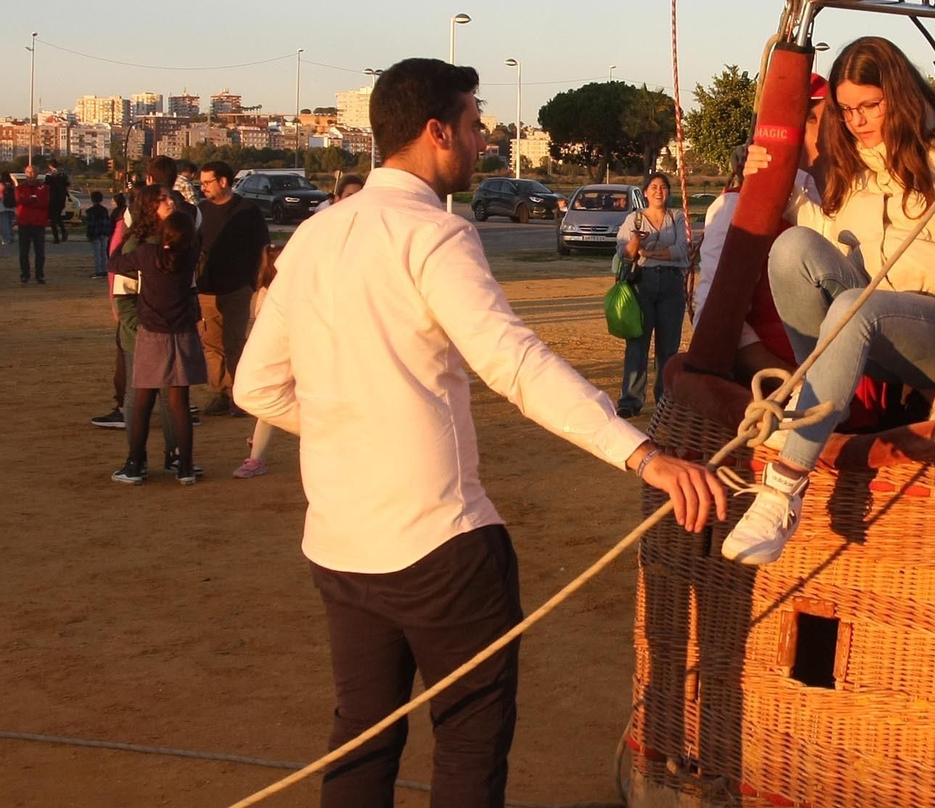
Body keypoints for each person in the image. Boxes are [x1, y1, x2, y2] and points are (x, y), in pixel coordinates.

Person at [233, 57, 725, 806]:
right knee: (467, 746)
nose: (482, 136)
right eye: (473, 122)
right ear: (436, 132)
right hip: (443, 551)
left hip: (338, 549)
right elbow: (515, 364)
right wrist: (643, 453)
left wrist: (349, 431)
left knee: (360, 741)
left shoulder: (314, 236)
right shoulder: (433, 235)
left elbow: (255, 385)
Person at [721, 36, 935, 565]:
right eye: (847, 110)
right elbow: (824, 234)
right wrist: (773, 183)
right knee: (792, 248)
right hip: (873, 325)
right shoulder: (847, 163)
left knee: (852, 308)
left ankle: (783, 489)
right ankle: (811, 397)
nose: (859, 121)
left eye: (870, 106)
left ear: (898, 93)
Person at [696, 75, 827, 383]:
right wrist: (795, 384)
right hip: (783, 389)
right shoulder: (736, 208)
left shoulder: (835, 198)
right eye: (829, 119)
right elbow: (713, 316)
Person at [107, 203, 206, 485]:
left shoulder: (147, 254)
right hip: (183, 334)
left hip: (153, 334)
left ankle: (135, 463)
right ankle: (185, 467)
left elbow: (114, 263)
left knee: (142, 400)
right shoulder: (190, 255)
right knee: (179, 403)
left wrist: (127, 237)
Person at [196, 161, 271, 416]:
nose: (202, 187)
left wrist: (255, 282)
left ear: (223, 181)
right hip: (206, 290)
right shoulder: (200, 211)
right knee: (211, 345)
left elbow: (262, 250)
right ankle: (221, 392)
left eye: (207, 182)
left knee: (234, 343)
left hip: (237, 288)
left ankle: (240, 396)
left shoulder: (248, 210)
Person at [616, 171, 691, 418]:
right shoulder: (634, 220)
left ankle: (665, 400)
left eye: (664, 187)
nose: (659, 191)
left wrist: (649, 254)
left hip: (671, 283)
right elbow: (625, 253)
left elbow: (682, 250)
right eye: (654, 187)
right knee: (637, 344)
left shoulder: (677, 217)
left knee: (668, 348)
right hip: (642, 284)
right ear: (646, 192)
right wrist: (637, 242)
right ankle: (630, 401)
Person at [233, 244, 283, 479]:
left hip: (281, 358)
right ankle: (256, 458)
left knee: (269, 410)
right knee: (270, 410)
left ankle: (257, 451)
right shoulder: (274, 294)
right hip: (281, 358)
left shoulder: (265, 291)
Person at [15, 164, 48, 284]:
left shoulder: (44, 188)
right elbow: (20, 201)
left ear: (37, 173)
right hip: (24, 223)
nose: (31, 175)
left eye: (33, 172)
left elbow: (45, 202)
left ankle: (39, 275)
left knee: (40, 252)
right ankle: (25, 274)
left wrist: (30, 200)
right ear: (25, 173)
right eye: (28, 172)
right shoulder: (20, 188)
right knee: (23, 252)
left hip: (38, 224)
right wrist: (33, 200)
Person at [84, 190, 114, 278]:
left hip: (95, 234)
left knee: (97, 252)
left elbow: (90, 225)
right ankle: (104, 269)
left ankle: (98, 270)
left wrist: (89, 234)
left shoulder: (90, 211)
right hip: (104, 233)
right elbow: (106, 222)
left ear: (92, 199)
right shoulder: (104, 210)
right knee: (104, 252)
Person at [45, 158, 70, 244]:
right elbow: (67, 184)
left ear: (50, 166)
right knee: (58, 217)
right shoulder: (62, 174)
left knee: (52, 219)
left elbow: (46, 184)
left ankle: (56, 238)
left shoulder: (50, 175)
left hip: (53, 198)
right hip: (61, 198)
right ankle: (63, 232)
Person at [1, 170, 16, 246]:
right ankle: (11, 237)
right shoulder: (12, 184)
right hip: (11, 206)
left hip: (2, 207)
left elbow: (1, 196)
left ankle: (7, 240)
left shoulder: (2, 184)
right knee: (9, 223)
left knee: (4, 225)